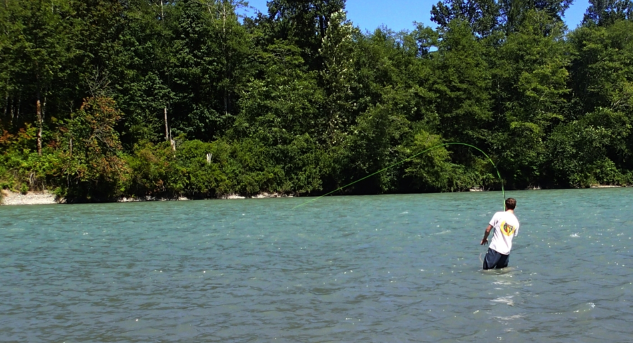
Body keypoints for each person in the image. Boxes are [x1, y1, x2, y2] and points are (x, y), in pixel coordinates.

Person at [480, 198, 520, 270]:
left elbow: (488, 229)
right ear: (515, 207)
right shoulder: (516, 221)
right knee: (501, 274)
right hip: (506, 253)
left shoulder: (498, 214)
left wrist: (485, 238)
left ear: (505, 205)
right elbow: (512, 234)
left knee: (486, 272)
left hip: (495, 249)